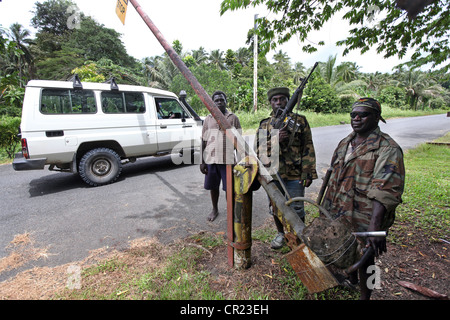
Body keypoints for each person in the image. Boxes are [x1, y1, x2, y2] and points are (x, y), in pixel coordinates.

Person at [321, 97, 405, 300]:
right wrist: (323, 206)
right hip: (338, 210)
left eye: (363, 114)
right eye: (353, 114)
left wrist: (375, 229)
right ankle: (351, 280)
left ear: (377, 118)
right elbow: (332, 174)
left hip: (365, 217)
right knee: (343, 246)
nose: (356, 118)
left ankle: (367, 296)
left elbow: (386, 190)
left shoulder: (387, 148)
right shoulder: (345, 143)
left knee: (368, 260)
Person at [254, 87, 317, 249]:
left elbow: (307, 147)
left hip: (295, 174)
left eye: (282, 99)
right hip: (273, 175)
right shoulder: (265, 125)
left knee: (297, 207)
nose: (279, 102)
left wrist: (308, 172)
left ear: (288, 101)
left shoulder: (300, 121)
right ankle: (281, 234)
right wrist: (275, 139)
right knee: (276, 208)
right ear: (270, 103)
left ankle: (299, 236)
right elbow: (258, 152)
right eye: (275, 100)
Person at [200, 90, 242, 222]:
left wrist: (240, 162)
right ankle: (215, 209)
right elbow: (203, 140)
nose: (219, 102)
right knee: (213, 187)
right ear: (213, 102)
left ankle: (231, 212)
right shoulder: (208, 119)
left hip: (228, 160)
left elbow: (239, 141)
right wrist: (202, 161)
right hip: (211, 159)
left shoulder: (233, 118)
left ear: (225, 101)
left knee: (229, 189)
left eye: (221, 100)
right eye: (216, 100)